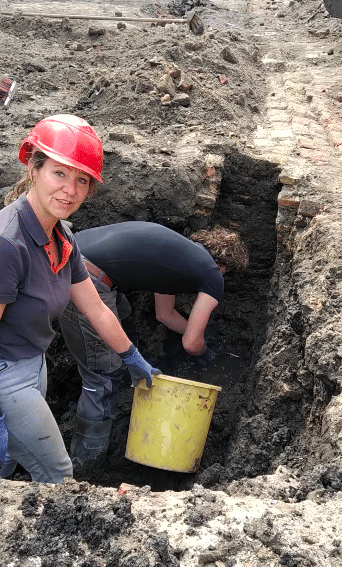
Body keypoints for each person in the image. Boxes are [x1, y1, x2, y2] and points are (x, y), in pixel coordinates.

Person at [0, 114, 160, 483]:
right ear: (33, 168)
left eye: (81, 180)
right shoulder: (9, 245)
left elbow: (97, 309)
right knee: (58, 475)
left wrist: (132, 356)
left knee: (8, 461)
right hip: (6, 376)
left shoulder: (61, 238)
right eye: (59, 173)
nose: (70, 191)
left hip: (32, 365)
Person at [58, 221, 248, 472]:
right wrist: (207, 353)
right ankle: (86, 467)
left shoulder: (179, 254)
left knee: (124, 314)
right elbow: (191, 343)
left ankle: (127, 381)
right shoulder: (213, 275)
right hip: (83, 277)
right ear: (224, 268)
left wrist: (200, 334)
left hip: (67, 254)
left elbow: (165, 315)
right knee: (102, 375)